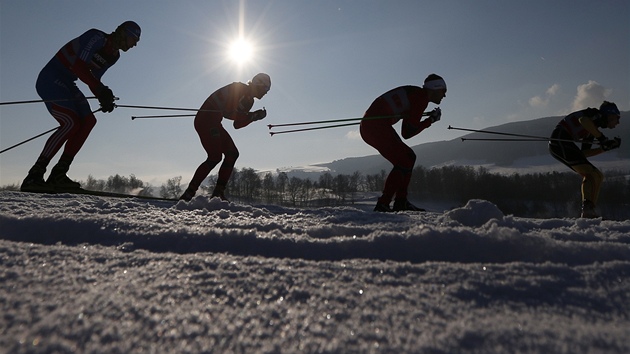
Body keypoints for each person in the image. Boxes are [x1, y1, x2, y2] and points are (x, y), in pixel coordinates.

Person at [20, 21, 141, 193]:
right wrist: (100, 90)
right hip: (51, 77)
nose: (135, 44)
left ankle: (59, 174)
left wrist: (103, 95)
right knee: (71, 123)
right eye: (134, 39)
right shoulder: (97, 37)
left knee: (89, 121)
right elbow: (79, 66)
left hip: (68, 82)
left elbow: (93, 78)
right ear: (124, 33)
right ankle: (35, 174)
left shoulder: (114, 56)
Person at [360, 74, 446, 212]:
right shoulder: (421, 98)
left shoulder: (417, 94)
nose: (444, 95)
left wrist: (422, 117)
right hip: (376, 126)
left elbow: (407, 124)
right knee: (406, 159)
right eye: (444, 91)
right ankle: (386, 203)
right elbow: (407, 133)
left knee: (408, 158)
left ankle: (399, 201)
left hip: (371, 125)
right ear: (436, 88)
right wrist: (431, 121)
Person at [179, 73, 271, 201]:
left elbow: (237, 124)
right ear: (258, 85)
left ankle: (218, 193)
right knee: (215, 157)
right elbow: (232, 113)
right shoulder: (239, 89)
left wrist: (253, 117)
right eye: (266, 89)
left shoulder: (249, 100)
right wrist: (252, 116)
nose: (266, 93)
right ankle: (189, 193)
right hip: (206, 120)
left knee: (232, 154)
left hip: (214, 121)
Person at [549, 101, 621, 218]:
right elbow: (584, 120)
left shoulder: (592, 130)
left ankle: (589, 209)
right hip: (560, 141)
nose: (617, 123)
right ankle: (587, 210)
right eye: (617, 118)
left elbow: (583, 154)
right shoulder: (595, 115)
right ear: (610, 115)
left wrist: (603, 148)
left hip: (559, 144)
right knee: (592, 174)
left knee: (597, 175)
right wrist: (602, 139)